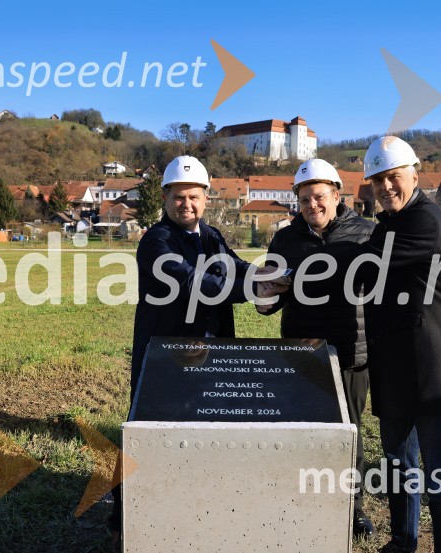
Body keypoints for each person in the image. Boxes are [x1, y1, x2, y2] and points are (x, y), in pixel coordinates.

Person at [112, 155, 286, 550]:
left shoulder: (211, 237)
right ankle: (125, 515)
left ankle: (193, 513)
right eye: (178, 197)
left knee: (203, 435)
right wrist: (249, 290)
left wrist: (265, 277)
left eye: (193, 196)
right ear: (165, 198)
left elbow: (233, 267)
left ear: (206, 197)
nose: (186, 204)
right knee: (147, 436)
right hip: (165, 360)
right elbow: (192, 281)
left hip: (211, 354)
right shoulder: (156, 242)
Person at [360, 136, 441, 553]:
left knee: (439, 474)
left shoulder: (425, 220)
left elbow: (362, 268)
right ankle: (402, 542)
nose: (386, 187)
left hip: (431, 370)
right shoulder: (389, 224)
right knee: (398, 467)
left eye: (393, 177)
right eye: (377, 182)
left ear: (414, 174)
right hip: (395, 367)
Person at [257, 158, 376, 538]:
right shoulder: (286, 238)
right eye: (305, 199)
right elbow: (272, 294)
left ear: (337, 195)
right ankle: (301, 499)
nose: (313, 206)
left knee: (350, 432)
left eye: (319, 196)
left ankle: (352, 508)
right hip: (301, 349)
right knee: (302, 428)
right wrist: (265, 296)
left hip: (352, 347)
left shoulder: (366, 232)